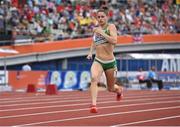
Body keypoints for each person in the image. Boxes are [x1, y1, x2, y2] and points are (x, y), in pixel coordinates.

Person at [87, 8, 123, 113]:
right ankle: (94, 105)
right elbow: (94, 42)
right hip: (98, 60)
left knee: (110, 88)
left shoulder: (111, 27)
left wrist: (101, 32)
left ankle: (119, 91)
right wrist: (90, 52)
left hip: (110, 62)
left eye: (102, 16)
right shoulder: (96, 29)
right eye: (98, 17)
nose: (100, 19)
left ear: (107, 17)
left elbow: (114, 41)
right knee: (93, 78)